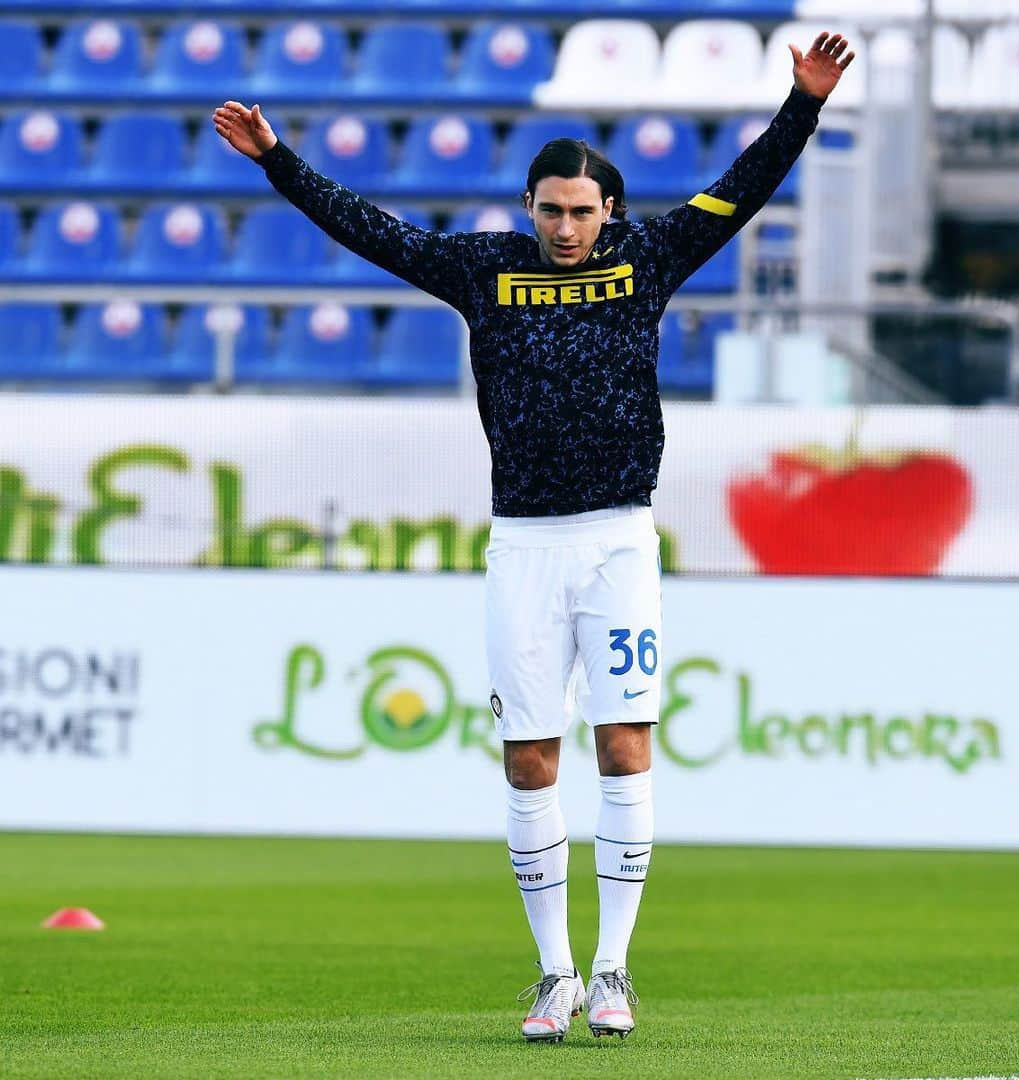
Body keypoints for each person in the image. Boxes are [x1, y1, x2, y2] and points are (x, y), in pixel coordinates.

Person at [214, 30, 854, 1043]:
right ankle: (553, 972)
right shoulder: (482, 270)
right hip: (523, 544)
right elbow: (375, 232)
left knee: (626, 740)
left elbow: (746, 185)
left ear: (610, 211)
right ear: (528, 209)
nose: (564, 226)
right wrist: (281, 163)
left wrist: (803, 107)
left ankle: (614, 969)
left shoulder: (653, 254)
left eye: (580, 211)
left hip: (619, 541)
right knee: (527, 759)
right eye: (549, 210)